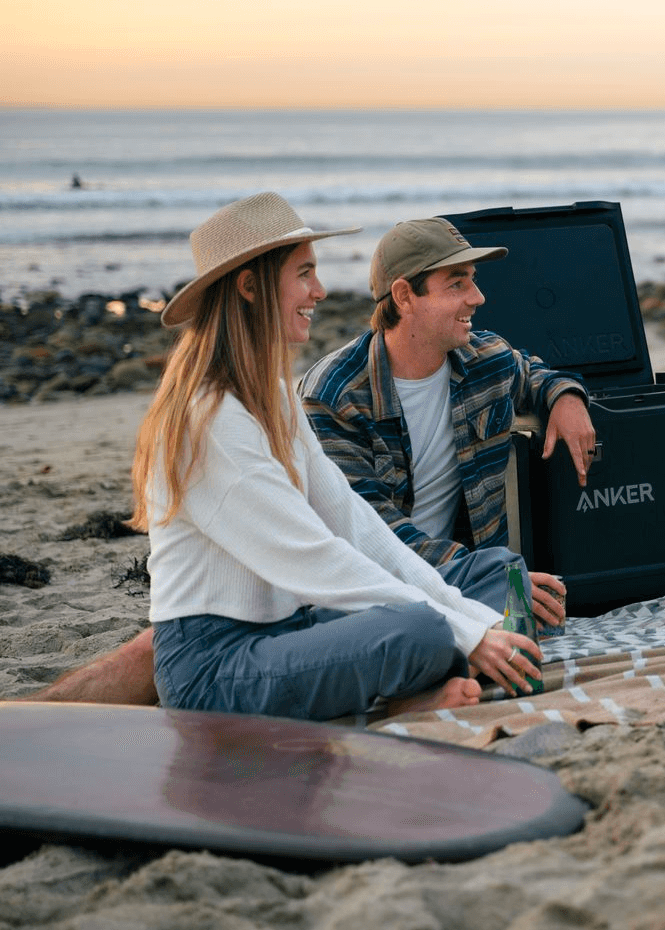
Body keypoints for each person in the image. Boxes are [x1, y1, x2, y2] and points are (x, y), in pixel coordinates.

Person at [41, 193, 559, 719]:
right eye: (305, 273)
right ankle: (400, 703)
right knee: (421, 630)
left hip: (289, 631)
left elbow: (356, 524)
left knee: (489, 584)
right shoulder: (210, 419)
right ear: (251, 287)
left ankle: (415, 685)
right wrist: (465, 630)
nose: (321, 290)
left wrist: (471, 618)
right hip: (215, 667)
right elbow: (312, 556)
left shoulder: (272, 398)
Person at [298, 217, 596, 609]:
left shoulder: (486, 360)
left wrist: (566, 398)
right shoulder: (335, 396)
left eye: (472, 279)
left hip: (472, 592)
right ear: (404, 296)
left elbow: (532, 372)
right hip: (374, 601)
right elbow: (370, 532)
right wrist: (491, 578)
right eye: (457, 284)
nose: (477, 297)